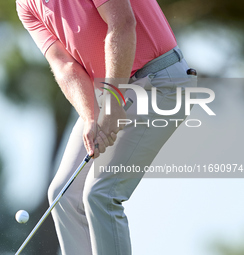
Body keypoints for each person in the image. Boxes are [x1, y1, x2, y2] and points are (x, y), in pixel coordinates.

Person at [16, 0, 196, 254]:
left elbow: (122, 24)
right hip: (110, 92)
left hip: (162, 82)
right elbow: (65, 66)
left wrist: (112, 105)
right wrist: (91, 117)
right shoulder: (26, 5)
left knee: (101, 193)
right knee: (63, 194)